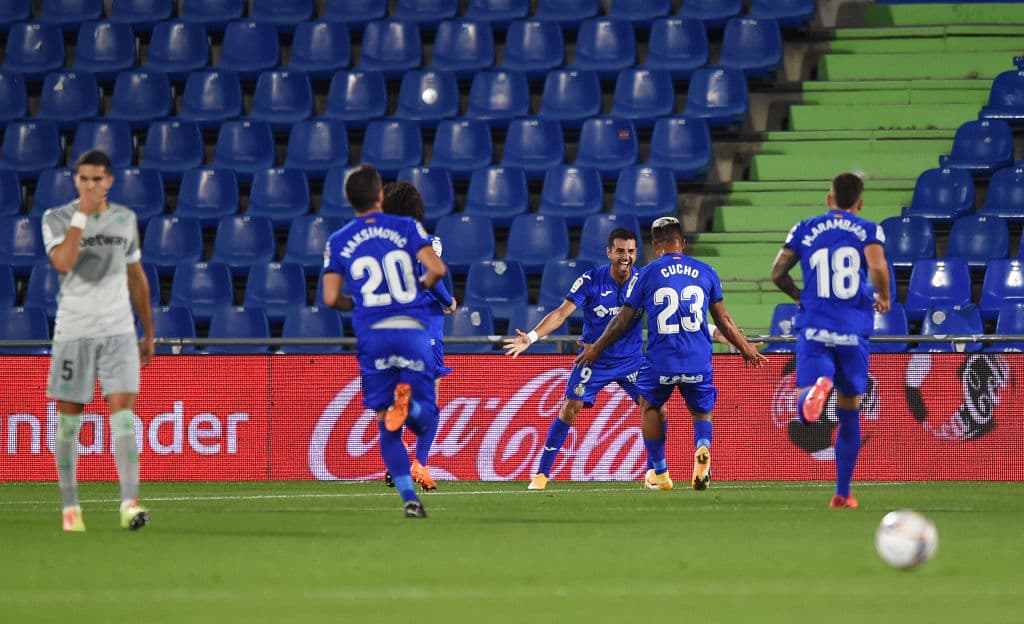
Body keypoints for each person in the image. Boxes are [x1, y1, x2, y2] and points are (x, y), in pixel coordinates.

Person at [504, 228, 743, 490]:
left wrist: (717, 332)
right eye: (619, 251)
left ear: (636, 253)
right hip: (595, 360)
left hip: (632, 360)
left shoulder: (645, 278)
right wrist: (532, 336)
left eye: (630, 251)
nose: (625, 257)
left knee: (656, 407)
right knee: (569, 408)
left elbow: (675, 316)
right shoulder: (590, 280)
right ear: (609, 252)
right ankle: (541, 475)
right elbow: (561, 314)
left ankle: (657, 472)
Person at [576, 217, 766, 491]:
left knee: (649, 406)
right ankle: (702, 448)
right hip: (697, 358)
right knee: (701, 412)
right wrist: (744, 347)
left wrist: (597, 348)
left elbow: (622, 321)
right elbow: (723, 319)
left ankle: (660, 474)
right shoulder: (706, 271)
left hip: (660, 360)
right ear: (683, 243)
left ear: (655, 246)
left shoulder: (647, 275)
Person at [321, 164, 453, 519]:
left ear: (349, 200)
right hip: (412, 329)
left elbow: (331, 298)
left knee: (384, 421)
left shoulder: (338, 240)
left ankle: (409, 498)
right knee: (427, 412)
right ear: (380, 196)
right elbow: (437, 270)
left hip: (372, 334)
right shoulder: (407, 227)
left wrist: (361, 303)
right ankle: (410, 413)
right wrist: (411, 294)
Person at [41, 149, 154, 532]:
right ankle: (71, 508)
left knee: (124, 418)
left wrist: (148, 331)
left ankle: (129, 504)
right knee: (69, 425)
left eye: (97, 179)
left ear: (110, 181)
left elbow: (135, 276)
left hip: (119, 330)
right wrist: (81, 217)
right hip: (74, 331)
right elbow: (64, 263)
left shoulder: (125, 219)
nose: (91, 185)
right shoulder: (55, 218)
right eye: (84, 179)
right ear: (76, 181)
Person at [770, 172, 891, 509]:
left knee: (806, 411)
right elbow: (877, 265)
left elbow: (777, 272)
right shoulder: (869, 229)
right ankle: (842, 492)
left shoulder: (805, 227)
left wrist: (799, 296)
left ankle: (816, 389)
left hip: (815, 327)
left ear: (829, 199)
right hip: (853, 329)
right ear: (860, 203)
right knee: (850, 412)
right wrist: (884, 295)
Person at [380, 180, 458, 491]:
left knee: (400, 398)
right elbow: (432, 275)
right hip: (424, 329)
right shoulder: (427, 240)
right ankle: (420, 463)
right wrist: (448, 300)